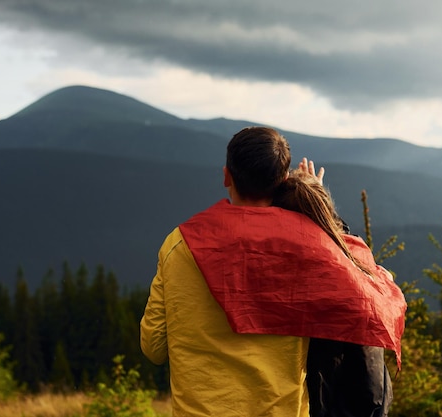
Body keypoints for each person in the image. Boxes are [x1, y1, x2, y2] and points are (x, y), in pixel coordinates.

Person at [140, 126, 406, 417]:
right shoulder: (311, 247)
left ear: (226, 175)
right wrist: (321, 215)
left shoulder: (179, 244)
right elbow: (370, 298)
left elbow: (154, 347)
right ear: (282, 181)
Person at [273, 162, 394, 417]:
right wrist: (316, 197)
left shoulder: (295, 284)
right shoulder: (360, 272)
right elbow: (334, 240)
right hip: (365, 407)